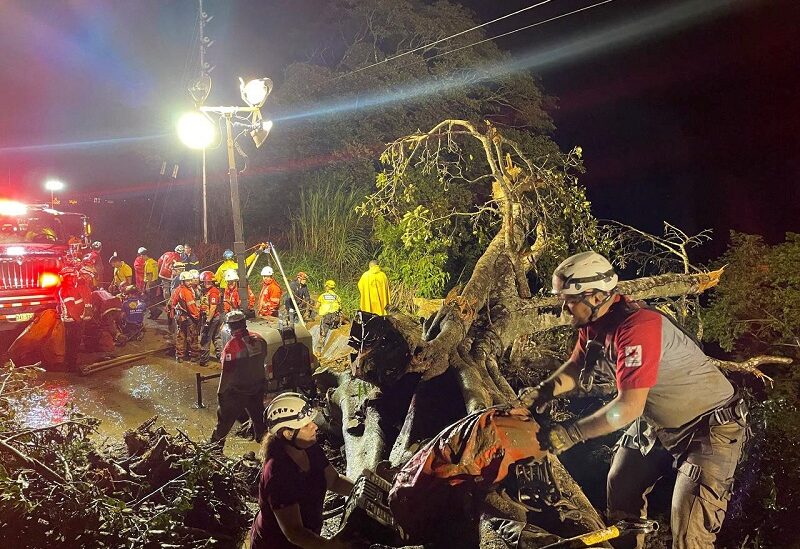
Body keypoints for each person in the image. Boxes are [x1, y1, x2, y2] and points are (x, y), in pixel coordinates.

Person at [518, 251, 747, 549]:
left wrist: (571, 434)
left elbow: (628, 407)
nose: (565, 307)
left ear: (596, 296)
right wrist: (542, 392)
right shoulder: (595, 323)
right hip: (659, 423)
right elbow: (575, 368)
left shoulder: (637, 329)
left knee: (690, 532)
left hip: (709, 427)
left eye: (570, 299)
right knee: (621, 485)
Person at [250, 392, 354, 549]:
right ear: (288, 433)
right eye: (306, 425)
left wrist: (361, 491)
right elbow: (294, 532)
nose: (315, 426)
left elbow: (334, 480)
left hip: (307, 536)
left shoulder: (309, 447)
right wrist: (331, 546)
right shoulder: (278, 472)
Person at [210, 311, 267, 449]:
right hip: (257, 389)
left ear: (230, 327)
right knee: (260, 423)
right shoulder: (259, 339)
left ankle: (212, 453)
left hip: (237, 392)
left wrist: (220, 392)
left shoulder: (231, 347)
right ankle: (268, 453)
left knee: (223, 425)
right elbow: (263, 359)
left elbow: (226, 373)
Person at [59, 266, 88, 369]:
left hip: (73, 321)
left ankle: (71, 364)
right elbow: (71, 308)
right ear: (69, 278)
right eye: (73, 277)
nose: (75, 279)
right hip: (72, 322)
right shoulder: (67, 289)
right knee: (72, 344)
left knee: (73, 344)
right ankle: (71, 366)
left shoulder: (69, 288)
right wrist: (79, 320)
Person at [170, 270, 201, 363]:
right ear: (182, 281)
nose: (190, 282)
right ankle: (194, 355)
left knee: (181, 335)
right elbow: (191, 307)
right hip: (188, 317)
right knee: (192, 336)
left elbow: (172, 302)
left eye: (190, 280)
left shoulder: (177, 289)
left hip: (180, 316)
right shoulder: (186, 292)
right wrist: (197, 316)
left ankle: (180, 355)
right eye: (187, 281)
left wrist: (172, 310)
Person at [198, 270, 223, 366]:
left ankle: (204, 360)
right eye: (205, 282)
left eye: (209, 282)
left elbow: (213, 308)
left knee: (205, 337)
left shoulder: (213, 292)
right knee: (216, 338)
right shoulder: (206, 291)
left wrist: (208, 321)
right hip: (215, 317)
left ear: (212, 282)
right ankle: (221, 357)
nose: (207, 284)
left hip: (212, 318)